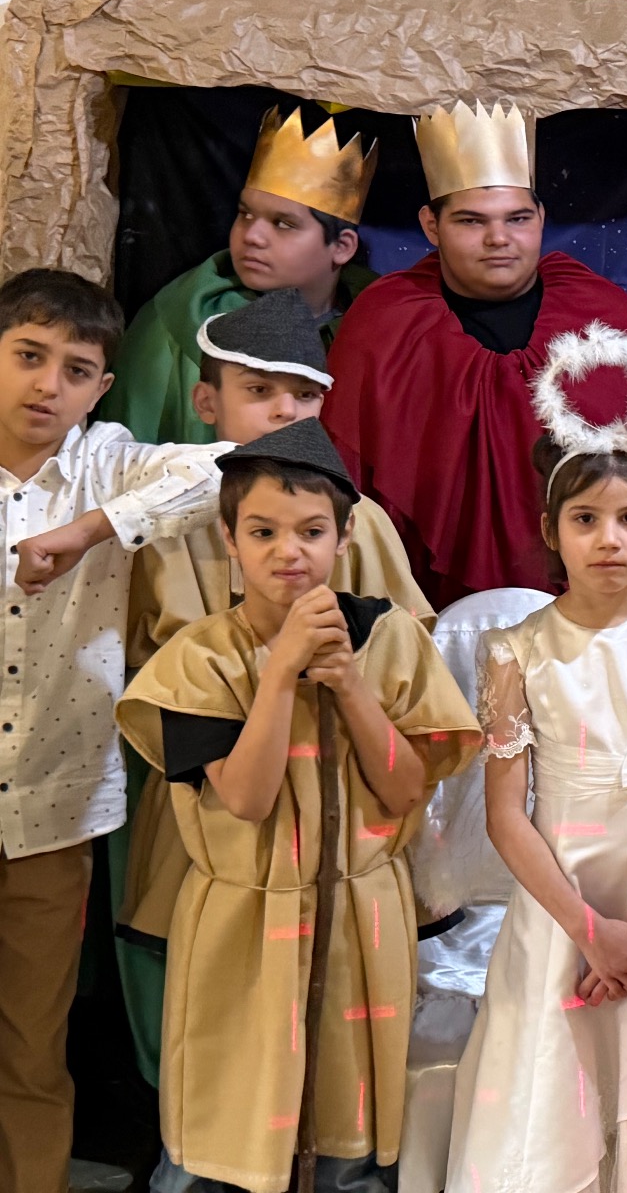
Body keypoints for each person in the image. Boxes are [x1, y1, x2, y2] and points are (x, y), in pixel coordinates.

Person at [115, 420, 479, 1193]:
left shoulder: (390, 641)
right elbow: (246, 798)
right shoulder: (199, 660)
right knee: (227, 1127)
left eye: (312, 531)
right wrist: (279, 672)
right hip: (242, 928)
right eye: (263, 532)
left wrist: (348, 684)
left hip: (360, 927)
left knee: (347, 1133)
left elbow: (405, 790)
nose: (290, 551)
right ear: (230, 540)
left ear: (344, 538)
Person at [114, 289, 435, 1091]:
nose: (284, 412)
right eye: (259, 391)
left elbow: (409, 666)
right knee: (213, 1020)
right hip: (222, 807)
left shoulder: (363, 522)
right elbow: (164, 668)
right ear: (207, 403)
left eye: (303, 395)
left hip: (346, 807)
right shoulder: (168, 527)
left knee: (335, 1020)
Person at [446, 327, 627, 1192]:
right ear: (552, 530)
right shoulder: (515, 651)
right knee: (558, 1082)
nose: (608, 539)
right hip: (562, 904)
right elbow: (507, 812)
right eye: (585, 520)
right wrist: (591, 932)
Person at [0, 270, 232, 1193]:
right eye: (28, 355)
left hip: (50, 812)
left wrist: (91, 530)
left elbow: (226, 468)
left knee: (31, 1043)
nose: (46, 384)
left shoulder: (105, 461)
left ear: (101, 388)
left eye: (74, 369)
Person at [323, 99, 627, 607]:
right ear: (431, 225)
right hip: (419, 607)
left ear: (541, 217)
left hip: (587, 606)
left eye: (517, 219)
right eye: (471, 221)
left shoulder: (601, 312)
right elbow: (346, 477)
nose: (498, 239)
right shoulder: (382, 323)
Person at [99, 107, 380, 443]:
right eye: (245, 214)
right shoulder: (174, 321)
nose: (252, 236)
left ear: (342, 247)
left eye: (283, 224)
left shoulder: (381, 330)